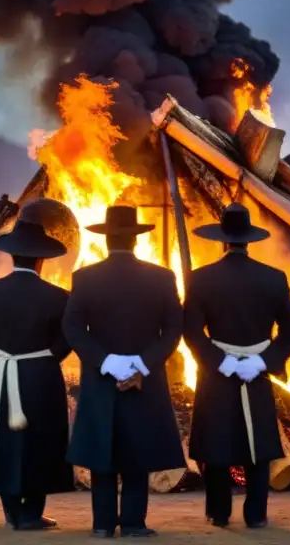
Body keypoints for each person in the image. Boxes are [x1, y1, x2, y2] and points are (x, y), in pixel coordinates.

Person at [63, 205, 185, 538]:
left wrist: (106, 362)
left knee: (103, 449)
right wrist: (142, 364)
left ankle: (102, 524)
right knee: (138, 449)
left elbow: (72, 328)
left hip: (101, 379)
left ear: (105, 240)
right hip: (143, 380)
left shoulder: (85, 277)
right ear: (136, 240)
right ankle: (133, 523)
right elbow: (174, 328)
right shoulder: (162, 277)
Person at [184, 203, 290, 529]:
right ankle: (257, 515)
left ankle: (218, 513)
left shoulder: (201, 278)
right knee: (257, 443)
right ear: (249, 241)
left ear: (222, 240)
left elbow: (191, 330)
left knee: (216, 442)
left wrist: (221, 362)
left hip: (218, 372)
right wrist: (265, 361)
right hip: (257, 371)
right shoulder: (273, 278)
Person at [0, 200, 75, 530]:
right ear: (42, 259)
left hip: (0, 374)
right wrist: (41, 360)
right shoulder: (59, 297)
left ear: (12, 255)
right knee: (40, 440)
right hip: (41, 376)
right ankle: (32, 512)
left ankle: (11, 512)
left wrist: (1, 358)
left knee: (4, 439)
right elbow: (65, 341)